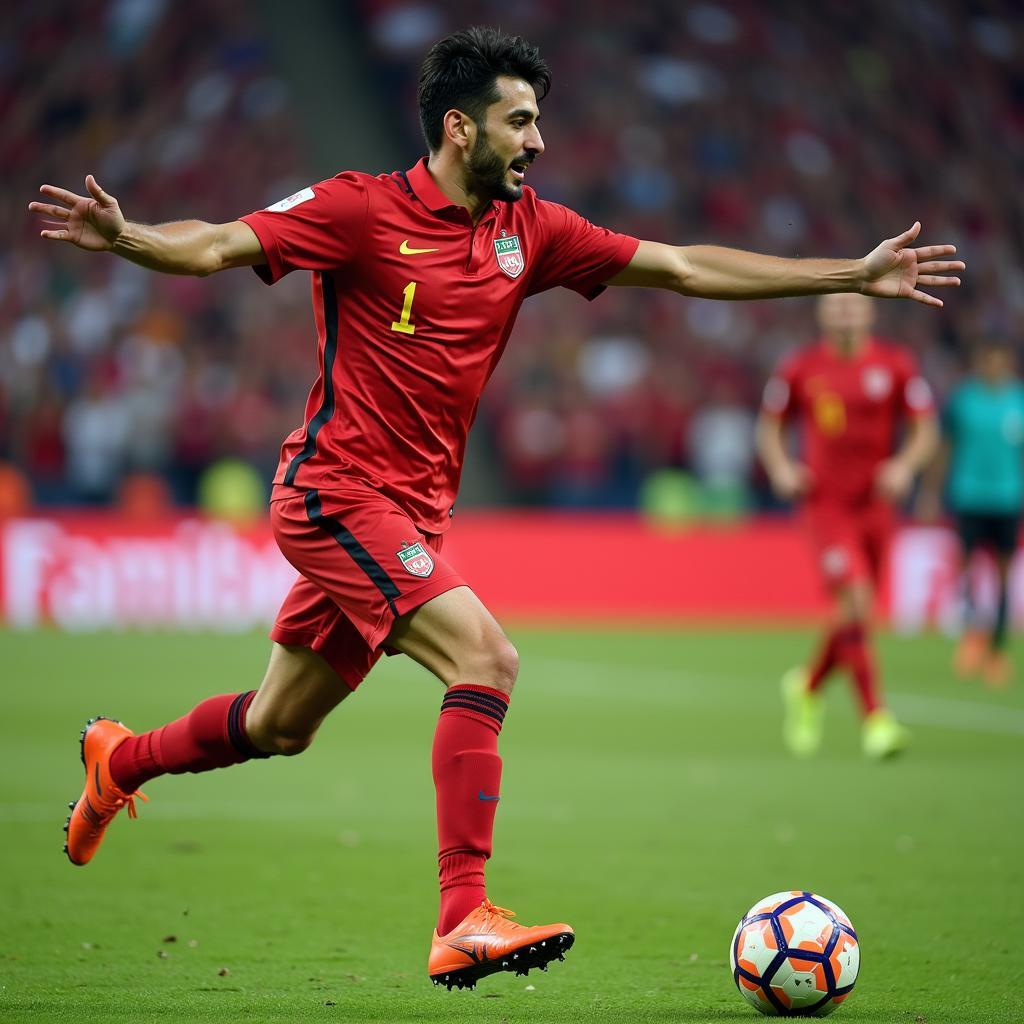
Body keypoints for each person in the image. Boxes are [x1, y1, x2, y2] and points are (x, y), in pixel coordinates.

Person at [30, 26, 962, 990]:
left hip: (413, 516)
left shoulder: (535, 233)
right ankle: (461, 913)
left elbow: (683, 267)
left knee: (278, 727)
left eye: (540, 122)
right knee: (487, 657)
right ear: (458, 127)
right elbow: (219, 244)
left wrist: (849, 274)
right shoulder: (358, 209)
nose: (539, 142)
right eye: (521, 121)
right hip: (334, 493)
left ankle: (121, 762)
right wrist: (133, 237)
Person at [756, 293, 939, 758]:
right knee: (855, 602)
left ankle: (808, 687)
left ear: (870, 313)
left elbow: (925, 428)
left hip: (877, 505)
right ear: (821, 314)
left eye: (853, 307)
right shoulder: (799, 368)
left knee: (855, 613)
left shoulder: (895, 365)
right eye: (836, 306)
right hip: (825, 506)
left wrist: (903, 466)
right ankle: (876, 719)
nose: (844, 313)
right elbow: (769, 427)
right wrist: (781, 468)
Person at [924, 338, 1024, 686]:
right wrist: (931, 492)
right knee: (966, 571)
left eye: (1001, 360)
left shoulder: (1018, 400)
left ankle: (997, 651)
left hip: (1008, 500)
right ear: (980, 362)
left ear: (1008, 362)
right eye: (989, 360)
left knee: (1002, 577)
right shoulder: (963, 400)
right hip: (969, 497)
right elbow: (945, 447)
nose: (995, 366)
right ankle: (972, 635)